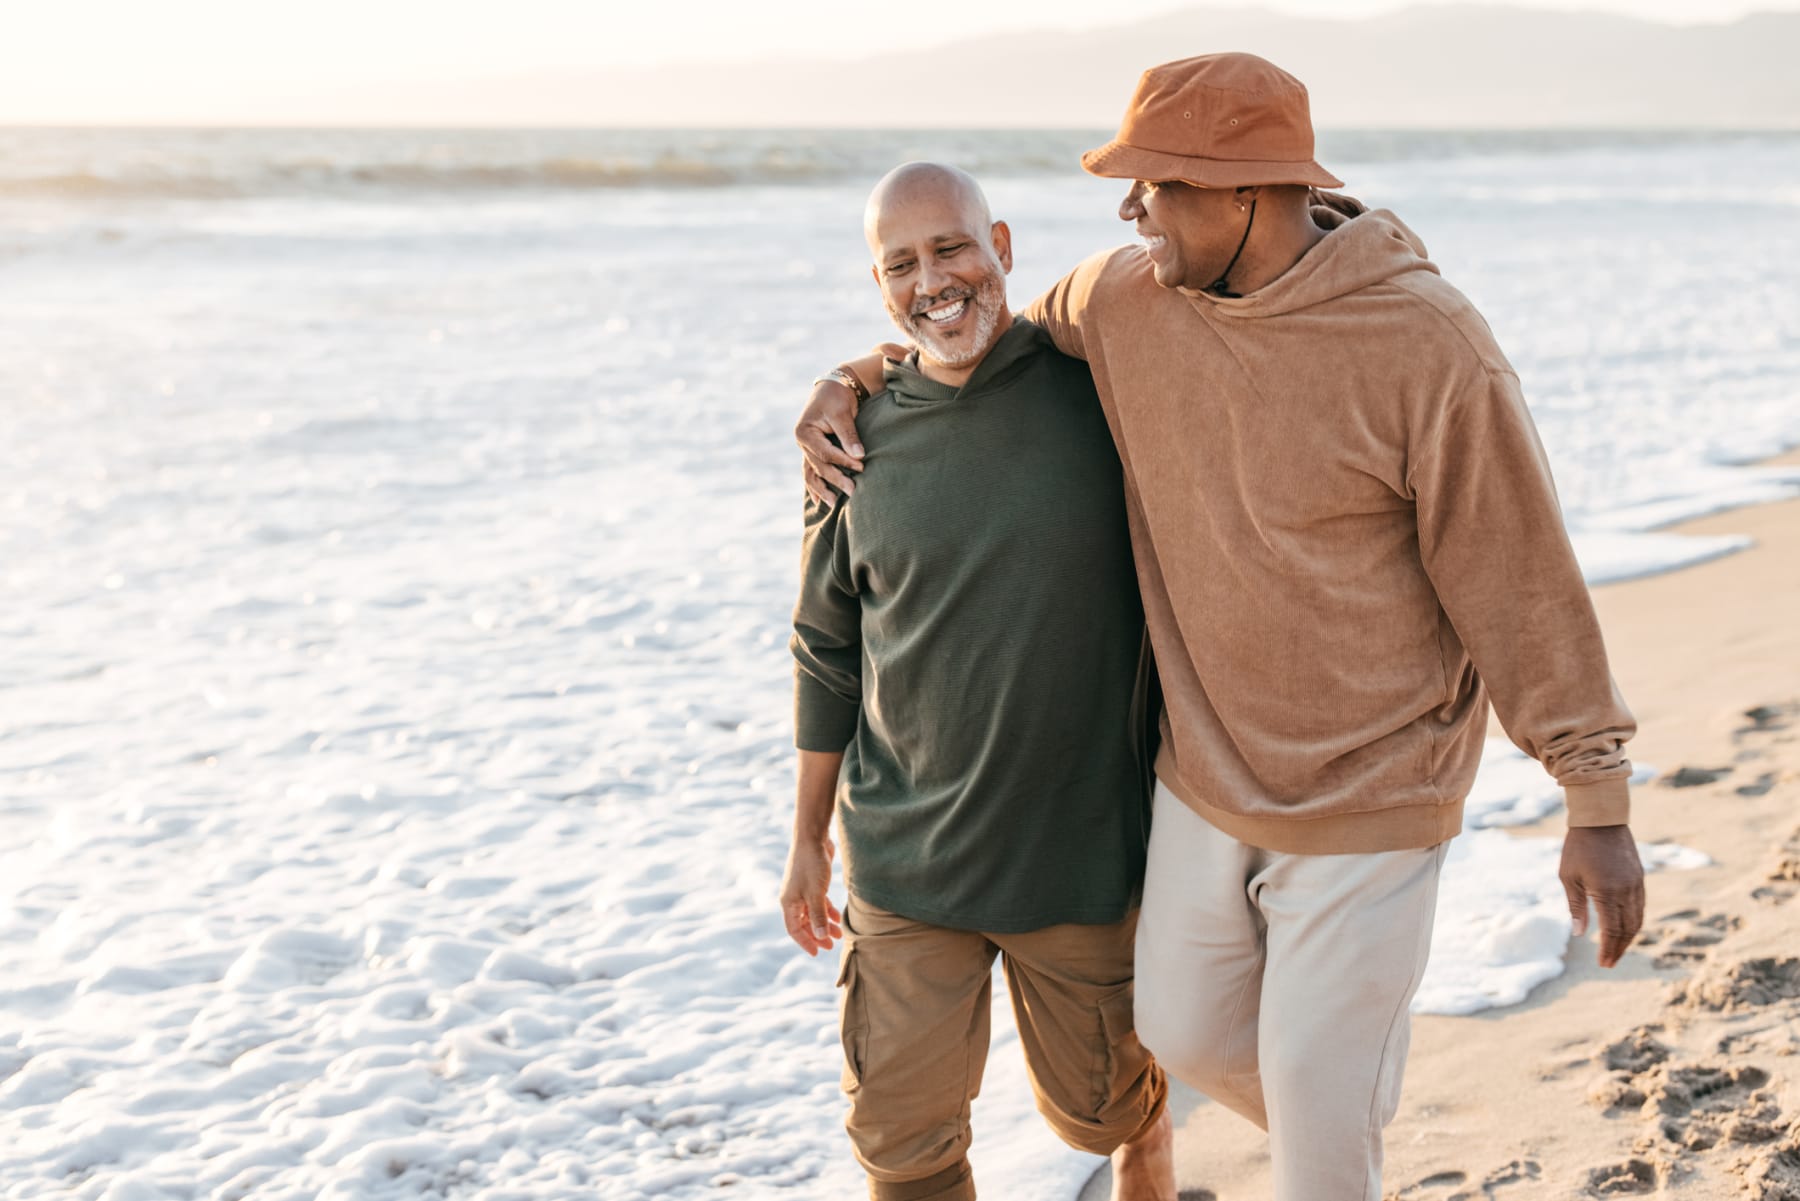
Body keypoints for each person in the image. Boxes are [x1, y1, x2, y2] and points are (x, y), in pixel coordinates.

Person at [795, 54, 1647, 1201]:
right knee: (1185, 1035)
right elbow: (969, 340)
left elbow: (1519, 575)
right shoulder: (1126, 299)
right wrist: (853, 374)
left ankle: (1328, 1130)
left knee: (1313, 1129)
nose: (1127, 208)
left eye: (1153, 184)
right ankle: (1330, 1111)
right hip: (1205, 777)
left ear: (1243, 192)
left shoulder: (1426, 340)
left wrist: (1593, 796)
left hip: (1373, 790)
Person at [780, 161, 1176, 1201]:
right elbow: (826, 647)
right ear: (879, 288)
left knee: (1102, 1110)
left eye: (951, 247)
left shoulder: (1101, 385)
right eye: (900, 264)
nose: (933, 281)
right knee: (902, 1150)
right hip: (905, 859)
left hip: (1080, 856)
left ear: (1001, 246)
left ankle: (1149, 1159)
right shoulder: (848, 444)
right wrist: (806, 841)